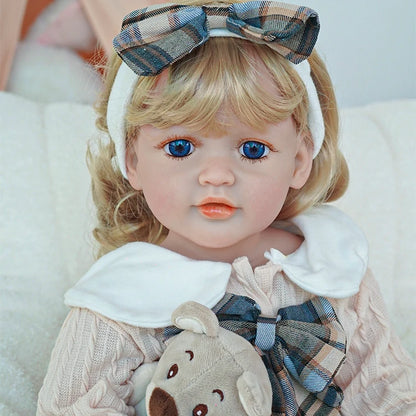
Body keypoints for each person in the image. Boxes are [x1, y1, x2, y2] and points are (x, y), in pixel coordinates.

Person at [36, 1, 416, 415]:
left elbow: (386, 388)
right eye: (180, 148)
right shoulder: (118, 301)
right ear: (132, 161)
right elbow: (72, 407)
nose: (216, 176)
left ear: (300, 160)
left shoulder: (330, 267)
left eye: (253, 150)